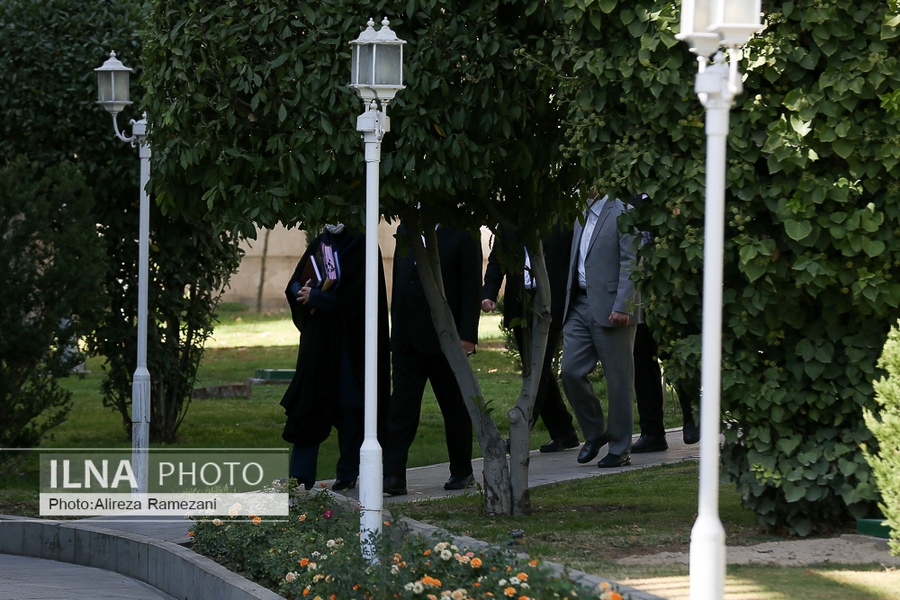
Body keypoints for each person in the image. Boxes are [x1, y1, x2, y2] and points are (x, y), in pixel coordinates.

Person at [279, 224, 390, 491]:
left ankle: (347, 473)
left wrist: (319, 297)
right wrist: (302, 291)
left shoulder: (363, 246)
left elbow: (359, 297)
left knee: (350, 407)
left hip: (351, 344)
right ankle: (299, 474)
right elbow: (294, 281)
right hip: (319, 344)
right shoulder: (320, 244)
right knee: (309, 403)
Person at [382, 223, 482, 496]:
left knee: (454, 407)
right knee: (401, 408)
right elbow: (401, 280)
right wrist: (396, 331)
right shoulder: (405, 228)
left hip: (446, 340)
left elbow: (471, 285)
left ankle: (462, 471)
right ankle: (393, 475)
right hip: (407, 340)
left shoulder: (463, 230)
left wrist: (467, 336)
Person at [481, 224, 580, 452]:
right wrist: (489, 293)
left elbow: (572, 262)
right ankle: (564, 431)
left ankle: (521, 431)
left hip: (550, 303)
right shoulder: (508, 222)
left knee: (537, 369)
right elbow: (497, 260)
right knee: (536, 367)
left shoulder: (559, 221)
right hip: (520, 302)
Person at [560, 193, 642, 468]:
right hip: (579, 304)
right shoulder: (579, 213)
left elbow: (632, 262)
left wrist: (624, 305)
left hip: (614, 308)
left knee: (619, 381)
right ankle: (596, 432)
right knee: (570, 371)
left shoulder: (623, 212)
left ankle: (620, 449)